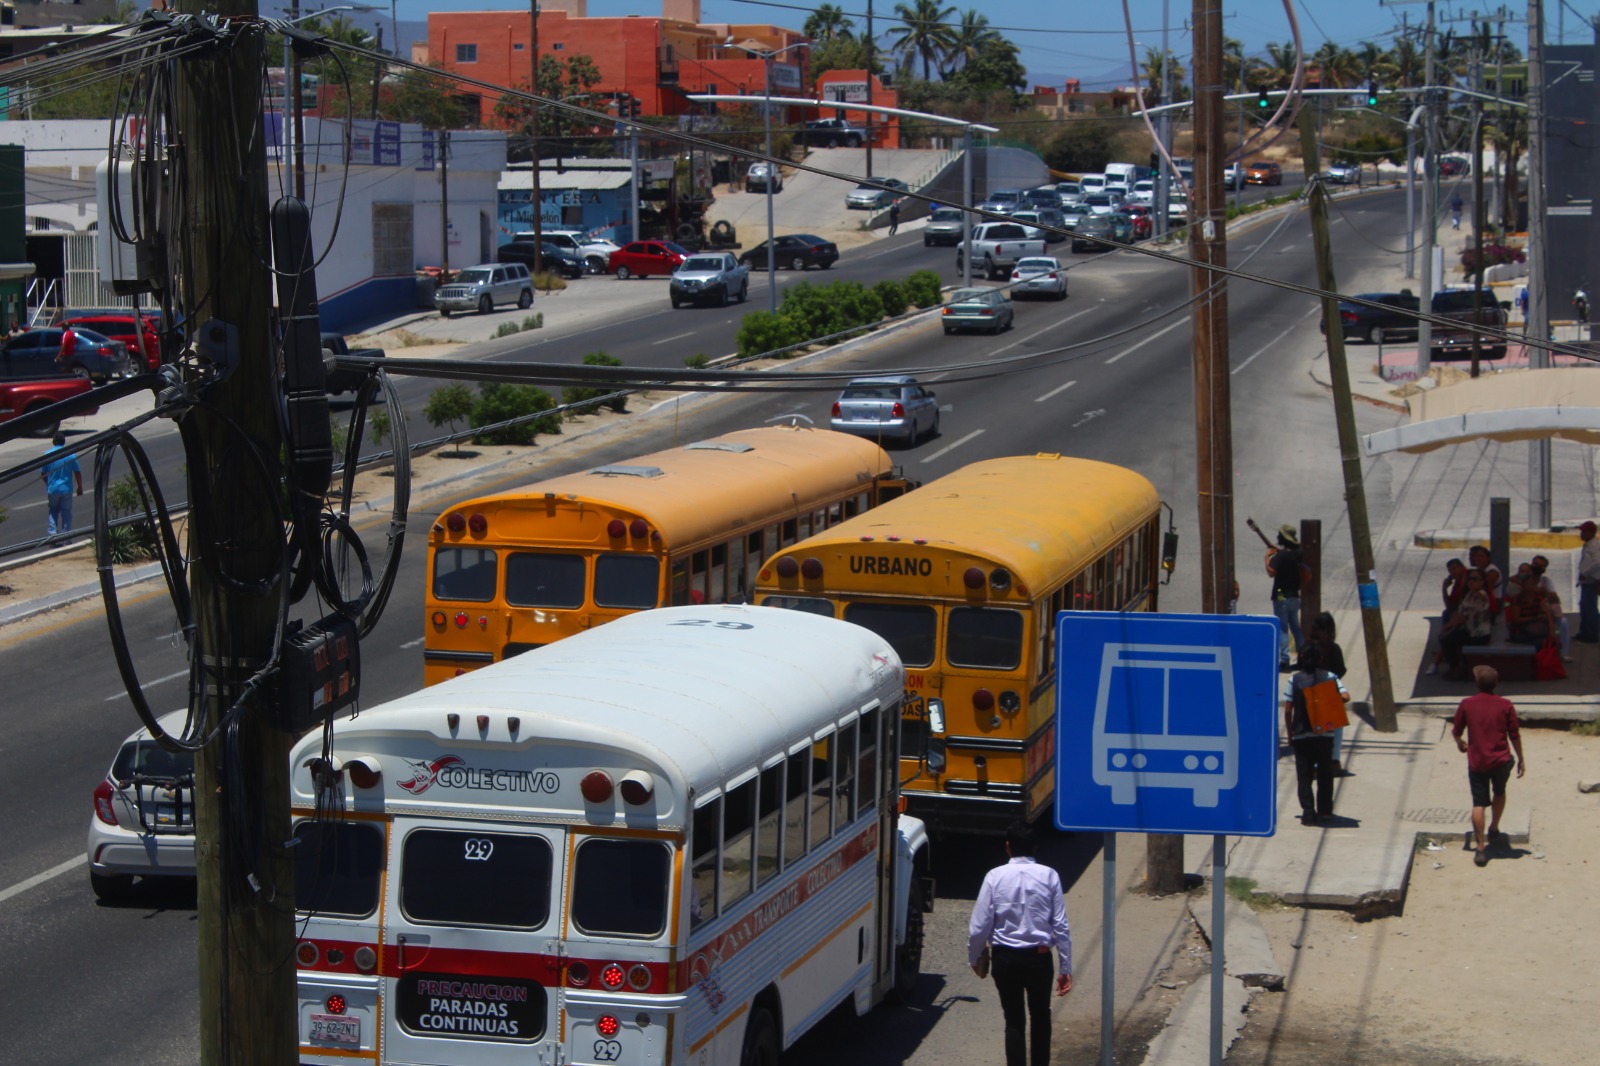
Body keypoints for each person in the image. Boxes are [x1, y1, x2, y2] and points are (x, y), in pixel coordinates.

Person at [968, 821, 1073, 1066]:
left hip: (1005, 959)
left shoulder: (994, 877)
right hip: (1039, 958)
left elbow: (979, 925)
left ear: (1007, 847)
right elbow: (1060, 925)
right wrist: (1065, 967)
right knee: (1040, 1017)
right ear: (1035, 846)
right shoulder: (1049, 876)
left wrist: (974, 958)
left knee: (1013, 1021)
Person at [1451, 665, 1525, 867]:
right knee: (1499, 792)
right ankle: (1494, 828)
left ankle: (1480, 847)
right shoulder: (1506, 705)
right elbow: (1515, 734)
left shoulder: (1467, 704)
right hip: (1501, 760)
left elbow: (1456, 730)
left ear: (1477, 684)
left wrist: (1460, 742)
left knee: (1478, 803)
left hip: (1477, 761)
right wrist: (1521, 758)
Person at [1282, 643, 1349, 826]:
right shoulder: (1330, 677)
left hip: (1302, 735)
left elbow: (1288, 710)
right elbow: (1345, 697)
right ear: (1320, 659)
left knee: (1304, 776)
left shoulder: (1294, 680)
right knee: (1325, 773)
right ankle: (1325, 812)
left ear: (1301, 659)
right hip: (1325, 735)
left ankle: (1308, 813)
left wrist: (1290, 734)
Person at [1305, 611, 1350, 773]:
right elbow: (1340, 670)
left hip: (1310, 691)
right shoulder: (1333, 648)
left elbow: (1301, 668)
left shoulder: (1307, 646)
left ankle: (1321, 762)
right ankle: (1333, 761)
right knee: (1335, 728)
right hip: (1329, 692)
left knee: (1316, 729)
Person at [1429, 568, 1493, 677]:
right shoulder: (1471, 593)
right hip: (1468, 630)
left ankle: (1456, 667)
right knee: (1445, 637)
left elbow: (1466, 617)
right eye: (1469, 579)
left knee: (1447, 640)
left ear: (1482, 581)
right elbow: (1459, 612)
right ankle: (1454, 665)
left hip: (1478, 634)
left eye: (1475, 579)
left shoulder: (1480, 595)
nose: (1471, 581)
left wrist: (1449, 625)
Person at [1265, 523, 1310, 670]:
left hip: (1280, 595)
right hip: (1294, 596)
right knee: (1295, 627)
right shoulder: (1298, 553)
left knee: (1283, 628)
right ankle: (1303, 657)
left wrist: (1267, 558)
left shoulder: (1282, 555)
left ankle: (1284, 660)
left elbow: (1271, 572)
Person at [40, 433, 83, 537]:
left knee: (53, 511)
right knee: (66, 512)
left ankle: (52, 533)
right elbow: (77, 472)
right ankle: (66, 537)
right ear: (64, 442)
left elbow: (43, 474)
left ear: (53, 442)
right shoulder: (70, 455)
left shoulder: (47, 454)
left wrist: (48, 483)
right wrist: (80, 487)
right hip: (66, 489)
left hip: (52, 489)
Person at [1505, 571, 1555, 646]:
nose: (1530, 587)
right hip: (1520, 629)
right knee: (1539, 637)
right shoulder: (1518, 598)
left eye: (1532, 584)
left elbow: (1547, 613)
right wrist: (1533, 618)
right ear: (1522, 585)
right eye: (1527, 584)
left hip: (1536, 625)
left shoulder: (1539, 598)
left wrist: (1546, 615)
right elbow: (1516, 620)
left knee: (1552, 632)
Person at [1576, 521, 1600, 643]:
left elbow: (1597, 562)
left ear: (1590, 533)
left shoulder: (1594, 546)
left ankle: (1591, 634)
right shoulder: (1588, 545)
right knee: (1585, 606)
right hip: (1587, 581)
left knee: (1589, 608)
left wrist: (1585, 573)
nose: (1581, 534)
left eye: (1583, 532)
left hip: (1591, 580)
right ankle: (1585, 632)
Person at [1440, 557, 1468, 625]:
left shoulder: (1467, 578)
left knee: (1447, 614)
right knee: (1446, 613)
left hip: (1466, 613)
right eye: (1450, 571)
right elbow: (1449, 606)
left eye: (1454, 569)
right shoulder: (1457, 582)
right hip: (1457, 611)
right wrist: (1444, 589)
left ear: (1462, 567)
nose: (1452, 572)